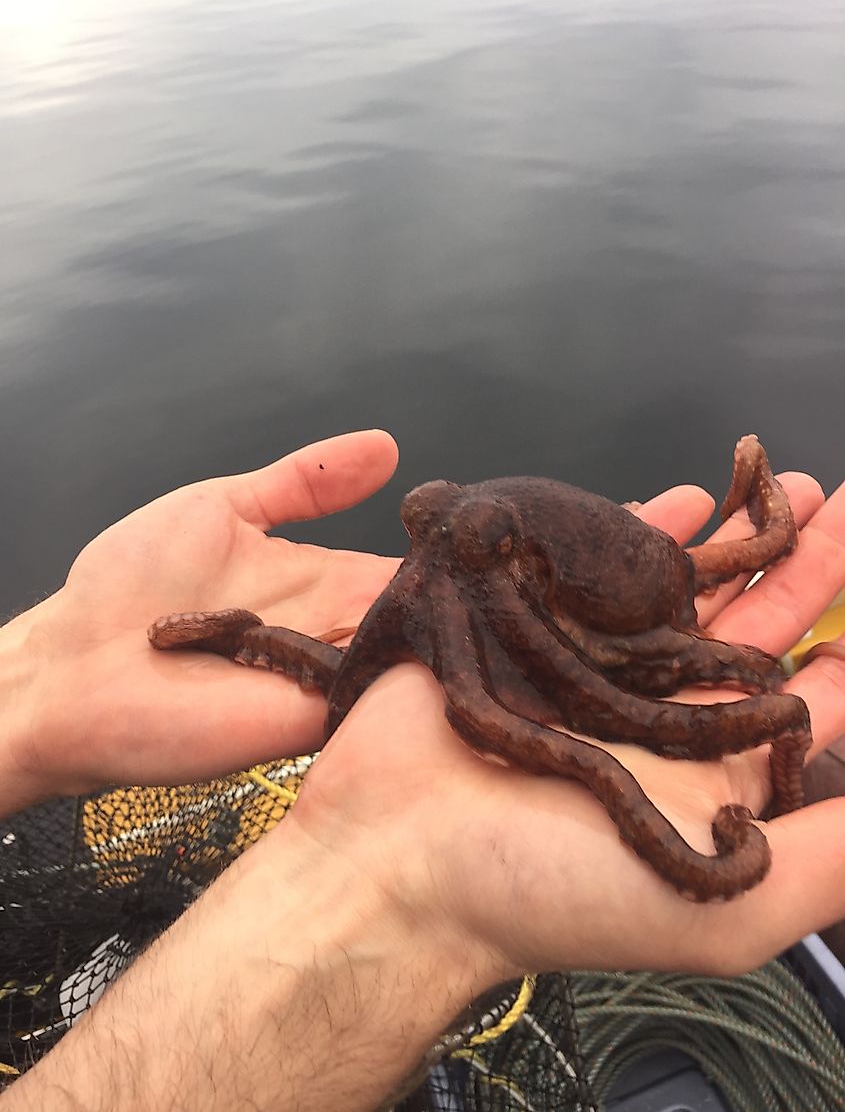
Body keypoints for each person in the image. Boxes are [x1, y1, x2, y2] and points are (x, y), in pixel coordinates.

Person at [1, 428, 845, 1111]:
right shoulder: (458, 564)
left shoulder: (592, 576)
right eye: (425, 535)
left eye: (473, 550)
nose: (427, 574)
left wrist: (32, 688)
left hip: (643, 594)